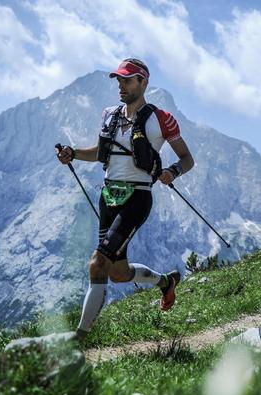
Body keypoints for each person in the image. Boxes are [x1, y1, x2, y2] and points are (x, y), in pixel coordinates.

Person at [56, 58, 194, 339]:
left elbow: (187, 158)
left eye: (127, 80)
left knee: (98, 263)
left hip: (137, 197)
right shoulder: (109, 114)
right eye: (118, 79)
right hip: (108, 196)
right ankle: (165, 282)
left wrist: (173, 171)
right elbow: (101, 152)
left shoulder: (162, 119)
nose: (121, 85)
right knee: (118, 272)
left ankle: (79, 339)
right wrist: (73, 153)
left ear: (143, 83)